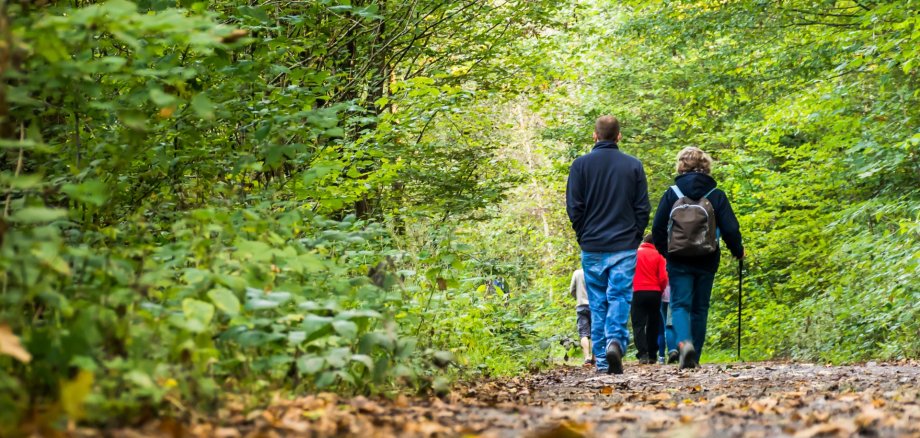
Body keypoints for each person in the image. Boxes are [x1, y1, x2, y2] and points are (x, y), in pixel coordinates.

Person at [566, 115, 650, 374]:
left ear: (595, 135)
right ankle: (615, 340)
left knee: (598, 301)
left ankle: (603, 360)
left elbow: (574, 207)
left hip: (592, 246)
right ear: (618, 136)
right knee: (620, 297)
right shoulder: (633, 166)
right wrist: (635, 236)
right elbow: (642, 208)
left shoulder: (580, 166)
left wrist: (583, 234)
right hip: (624, 245)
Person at [651, 147, 744, 369]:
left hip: (678, 259)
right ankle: (696, 355)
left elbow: (657, 228)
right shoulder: (715, 194)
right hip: (707, 257)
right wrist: (738, 250)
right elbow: (730, 228)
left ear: (681, 165)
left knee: (680, 305)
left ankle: (685, 345)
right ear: (706, 166)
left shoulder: (672, 193)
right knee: (700, 308)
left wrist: (666, 251)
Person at [631, 234, 668, 364]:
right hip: (654, 292)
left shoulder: (634, 254)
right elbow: (663, 277)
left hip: (638, 292)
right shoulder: (659, 255)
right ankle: (652, 354)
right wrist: (661, 289)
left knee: (638, 324)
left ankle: (643, 353)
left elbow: (628, 272)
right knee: (653, 323)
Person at [569, 268, 593, 365]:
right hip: (595, 306)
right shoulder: (595, 271)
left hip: (581, 306)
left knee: (584, 333)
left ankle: (587, 358)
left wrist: (578, 297)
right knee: (596, 332)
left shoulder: (577, 273)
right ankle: (595, 358)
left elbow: (572, 290)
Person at [660, 284, 678, 364]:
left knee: (667, 325)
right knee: (676, 325)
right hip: (675, 294)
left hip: (663, 294)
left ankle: (672, 350)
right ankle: (677, 352)